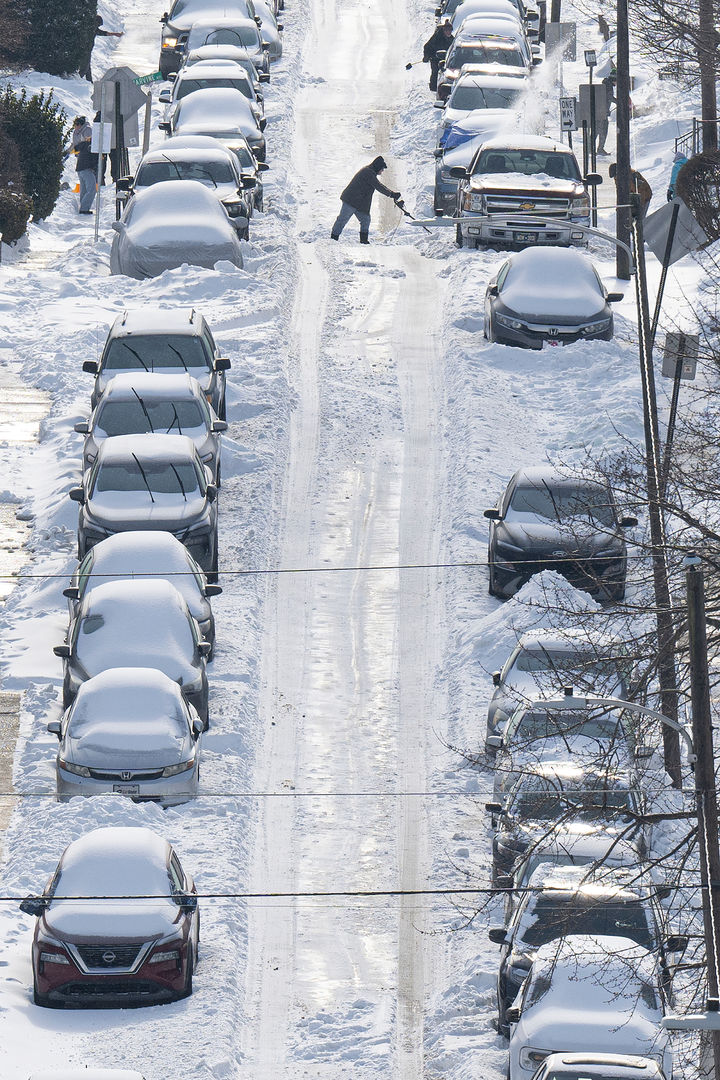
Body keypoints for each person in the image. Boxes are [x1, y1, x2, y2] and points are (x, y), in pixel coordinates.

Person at [331, 156, 402, 244]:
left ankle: (364, 240)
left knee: (365, 219)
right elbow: (378, 186)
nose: (382, 171)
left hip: (359, 203)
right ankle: (333, 239)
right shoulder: (368, 172)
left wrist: (392, 194)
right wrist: (391, 194)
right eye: (382, 169)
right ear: (378, 167)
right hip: (351, 200)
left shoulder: (370, 172)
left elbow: (378, 185)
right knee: (342, 219)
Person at [80, 16, 124, 82]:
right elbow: (103, 33)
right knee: (85, 67)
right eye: (98, 24)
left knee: (88, 67)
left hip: (88, 50)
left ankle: (89, 81)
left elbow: (104, 33)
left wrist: (115, 34)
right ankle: (79, 78)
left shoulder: (94, 29)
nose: (98, 26)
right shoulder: (89, 29)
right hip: (85, 50)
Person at [70, 116, 99, 214]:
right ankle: (84, 209)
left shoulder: (87, 132)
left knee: (84, 189)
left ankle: (83, 207)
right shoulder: (89, 145)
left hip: (80, 166)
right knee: (91, 189)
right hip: (85, 167)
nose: (75, 127)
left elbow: (76, 146)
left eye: (77, 125)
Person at [423, 20, 454, 93]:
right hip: (434, 58)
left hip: (445, 60)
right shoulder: (437, 37)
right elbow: (427, 46)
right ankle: (433, 89)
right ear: (444, 30)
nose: (448, 32)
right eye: (447, 30)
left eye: (450, 30)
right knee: (435, 72)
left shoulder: (452, 39)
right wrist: (426, 56)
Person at [595, 73, 616, 156]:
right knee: (603, 131)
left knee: (596, 130)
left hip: (599, 112)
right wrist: (620, 101)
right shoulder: (608, 86)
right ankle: (600, 149)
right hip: (602, 113)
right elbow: (609, 98)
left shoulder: (605, 84)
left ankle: (590, 148)